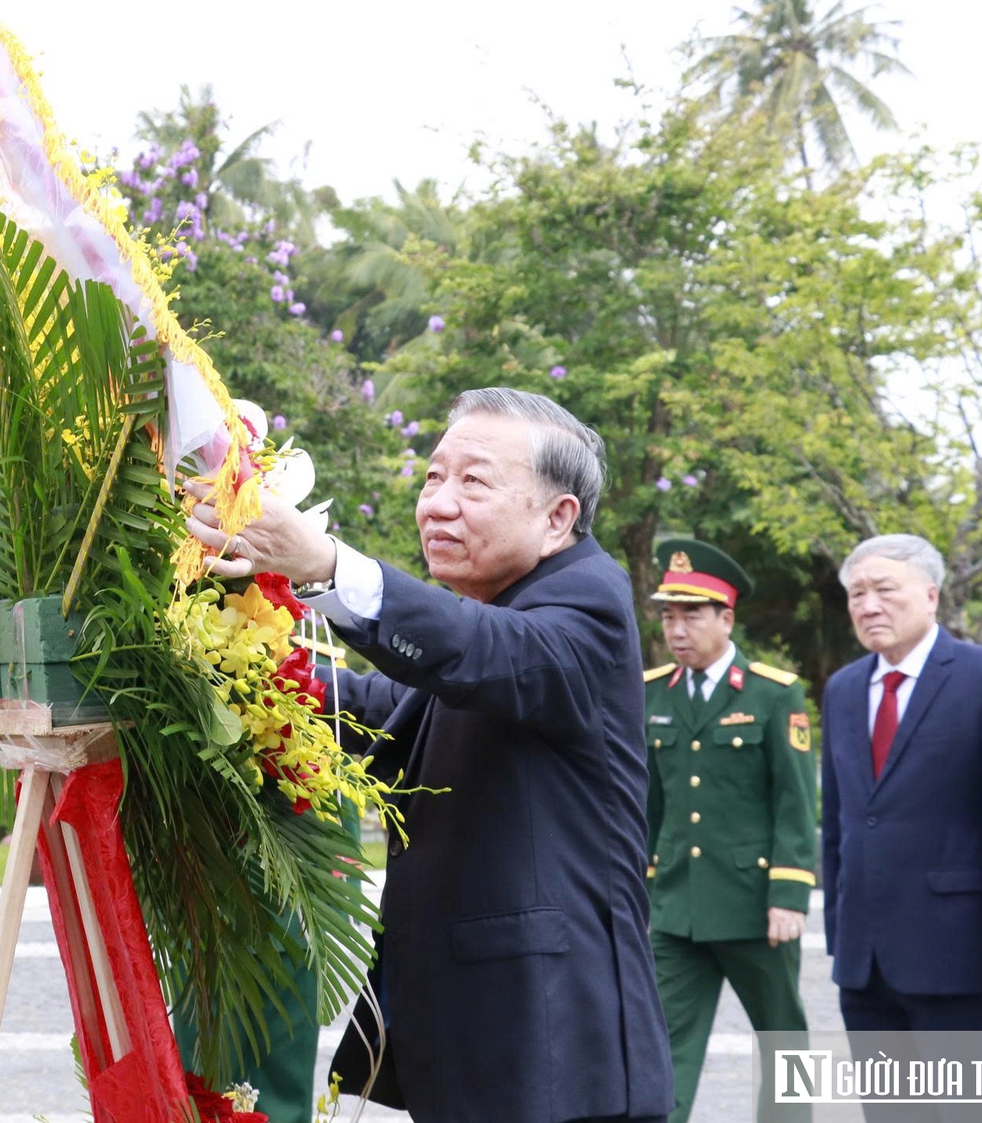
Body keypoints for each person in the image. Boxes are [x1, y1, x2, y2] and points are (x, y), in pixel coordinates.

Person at [186, 386, 673, 1123]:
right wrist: (226, 651)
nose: (438, 504)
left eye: (474, 481)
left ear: (557, 517)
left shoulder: (586, 602)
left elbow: (476, 651)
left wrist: (323, 564)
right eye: (433, 477)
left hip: (553, 1054)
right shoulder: (497, 610)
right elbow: (375, 714)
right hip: (485, 1045)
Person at [820, 534, 982, 1034]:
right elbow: (840, 823)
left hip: (960, 958)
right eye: (857, 593)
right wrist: (840, 932)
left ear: (931, 596)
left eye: (884, 589)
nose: (869, 606)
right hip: (865, 966)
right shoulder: (843, 689)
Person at [641, 538, 815, 1123]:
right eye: (669, 616)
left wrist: (789, 893)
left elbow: (795, 801)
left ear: (726, 619)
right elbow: (649, 807)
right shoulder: (652, 692)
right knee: (662, 1045)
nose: (677, 630)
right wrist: (642, 890)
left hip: (754, 905)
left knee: (782, 1037)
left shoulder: (773, 692)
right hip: (676, 906)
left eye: (691, 615)